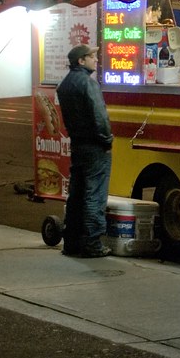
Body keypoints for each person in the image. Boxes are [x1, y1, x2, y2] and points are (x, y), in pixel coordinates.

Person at [56, 44, 113, 257]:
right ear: (81, 61)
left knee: (77, 194)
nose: (95, 60)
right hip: (95, 146)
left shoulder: (64, 86)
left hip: (78, 145)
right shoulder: (88, 85)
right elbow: (99, 117)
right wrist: (107, 140)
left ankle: (71, 242)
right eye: (92, 57)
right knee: (94, 194)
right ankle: (92, 242)